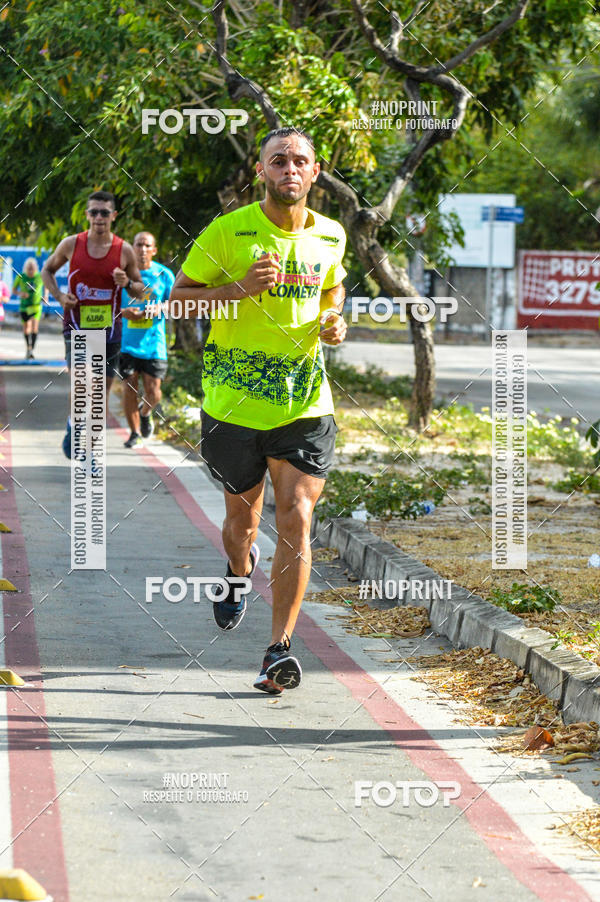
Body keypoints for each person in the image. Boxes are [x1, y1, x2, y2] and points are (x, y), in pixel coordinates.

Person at [170, 127, 347, 694]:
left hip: (305, 403)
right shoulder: (228, 233)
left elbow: (331, 291)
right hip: (232, 405)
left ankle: (279, 650)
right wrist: (241, 289)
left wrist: (334, 320)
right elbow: (177, 299)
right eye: (279, 161)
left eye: (300, 160)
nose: (289, 169)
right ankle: (239, 572)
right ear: (262, 170)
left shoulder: (332, 236)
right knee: (241, 525)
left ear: (315, 172)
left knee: (296, 514)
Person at [41, 190, 144, 458]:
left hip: (110, 333)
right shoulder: (71, 244)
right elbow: (47, 270)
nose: (99, 217)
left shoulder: (125, 250)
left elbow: (140, 289)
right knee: (81, 384)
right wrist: (60, 296)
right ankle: (74, 425)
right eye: (94, 212)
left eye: (104, 212)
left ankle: (91, 452)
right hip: (75, 327)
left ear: (114, 215)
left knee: (99, 395)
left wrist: (128, 284)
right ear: (87, 215)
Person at [119, 231, 175, 448]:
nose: (142, 249)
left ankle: (145, 413)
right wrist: (124, 312)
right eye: (138, 244)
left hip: (154, 343)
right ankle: (134, 433)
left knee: (154, 392)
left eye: (147, 245)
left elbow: (174, 304)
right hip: (126, 343)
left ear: (154, 250)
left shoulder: (165, 275)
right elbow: (111, 304)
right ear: (132, 248)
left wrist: (157, 308)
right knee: (129, 388)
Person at [14, 257, 46, 358]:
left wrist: (45, 296)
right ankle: (28, 347)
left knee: (34, 327)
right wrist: (20, 293)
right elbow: (14, 290)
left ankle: (32, 349)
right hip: (24, 306)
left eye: (32, 269)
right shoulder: (21, 276)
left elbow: (47, 285)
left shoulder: (40, 276)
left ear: (36, 268)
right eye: (29, 269)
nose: (31, 271)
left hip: (36, 306)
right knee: (26, 327)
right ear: (25, 268)